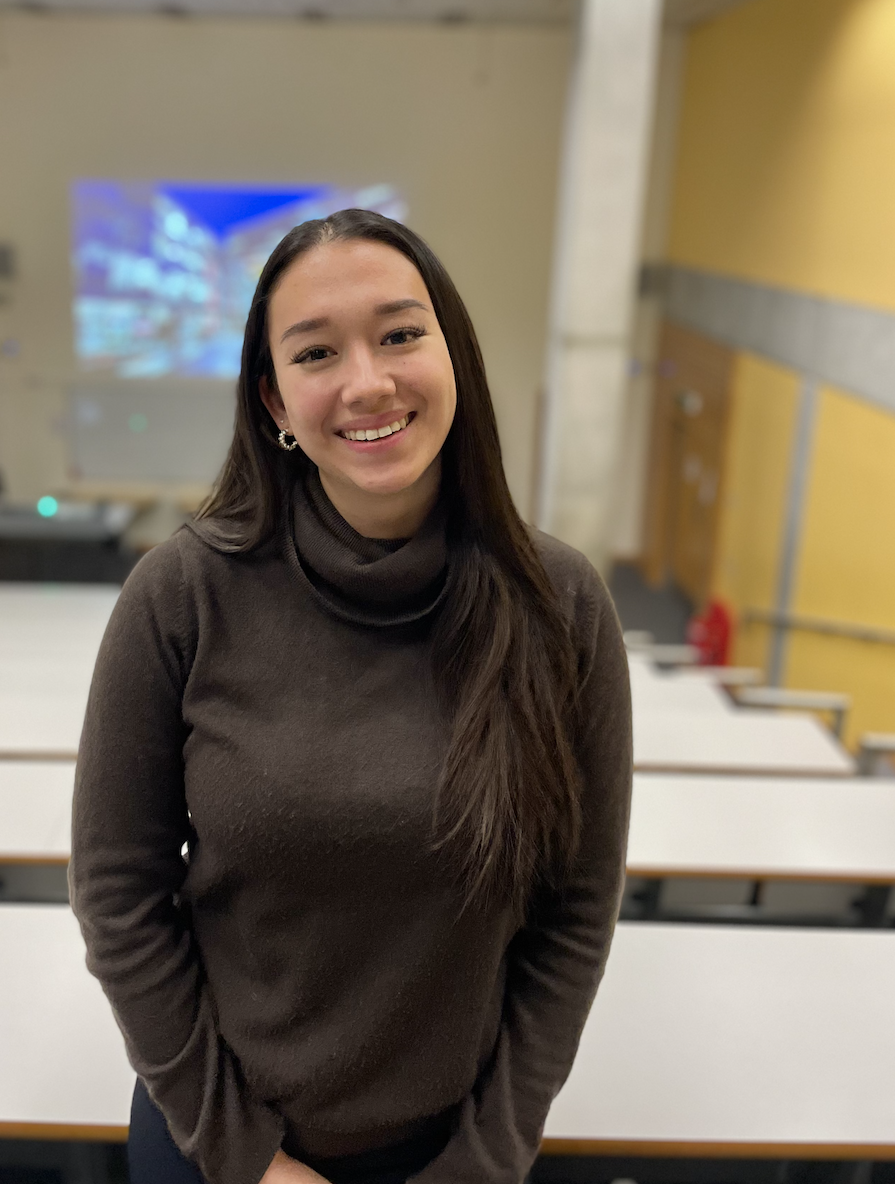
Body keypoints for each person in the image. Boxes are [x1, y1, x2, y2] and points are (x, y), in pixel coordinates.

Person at [69, 209, 632, 1184]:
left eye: (401, 333)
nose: (367, 380)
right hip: (219, 1144)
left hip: (454, 1151)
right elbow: (119, 897)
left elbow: (574, 912)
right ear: (275, 402)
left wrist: (486, 1155)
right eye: (317, 350)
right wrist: (248, 1157)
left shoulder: (561, 602)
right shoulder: (181, 593)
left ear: (453, 352)